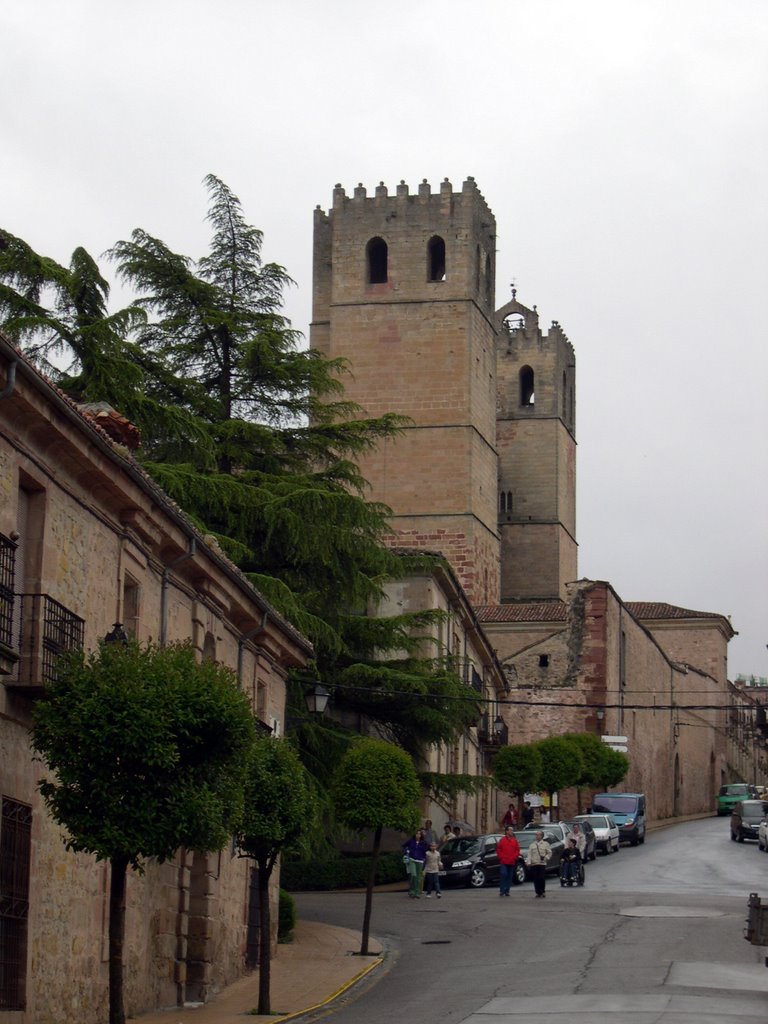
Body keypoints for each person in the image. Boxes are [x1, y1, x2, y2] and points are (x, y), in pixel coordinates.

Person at [525, 830, 552, 897]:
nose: (537, 836)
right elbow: (529, 854)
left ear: (542, 836)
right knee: (535, 878)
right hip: (534, 864)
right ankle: (538, 892)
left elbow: (549, 853)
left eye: (538, 835)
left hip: (542, 863)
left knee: (541, 877)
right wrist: (528, 862)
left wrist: (546, 858)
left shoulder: (546, 844)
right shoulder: (532, 845)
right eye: (536, 835)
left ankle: (542, 891)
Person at [402, 829, 427, 898]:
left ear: (421, 835)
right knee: (414, 875)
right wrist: (406, 851)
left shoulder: (424, 843)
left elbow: (425, 853)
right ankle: (412, 890)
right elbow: (403, 846)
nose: (418, 835)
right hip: (412, 859)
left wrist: (424, 860)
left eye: (419, 834)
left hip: (420, 861)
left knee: (418, 877)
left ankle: (417, 892)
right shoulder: (411, 841)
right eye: (417, 834)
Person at [497, 826, 521, 896]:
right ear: (507, 831)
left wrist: (514, 857)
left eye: (512, 830)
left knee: (509, 876)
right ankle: (502, 890)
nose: (512, 832)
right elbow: (499, 849)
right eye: (510, 830)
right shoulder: (502, 840)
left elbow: (517, 850)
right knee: (503, 874)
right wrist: (501, 857)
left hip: (511, 861)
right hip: (504, 861)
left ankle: (507, 890)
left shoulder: (514, 840)